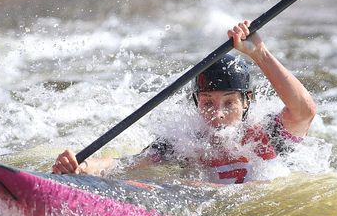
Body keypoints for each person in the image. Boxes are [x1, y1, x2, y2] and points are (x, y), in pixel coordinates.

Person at [52, 20, 316, 184]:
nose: (218, 114)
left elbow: (304, 111)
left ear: (247, 102)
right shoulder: (186, 140)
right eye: (208, 103)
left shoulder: (266, 134)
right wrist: (84, 167)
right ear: (196, 103)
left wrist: (260, 53)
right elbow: (128, 163)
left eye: (229, 103)